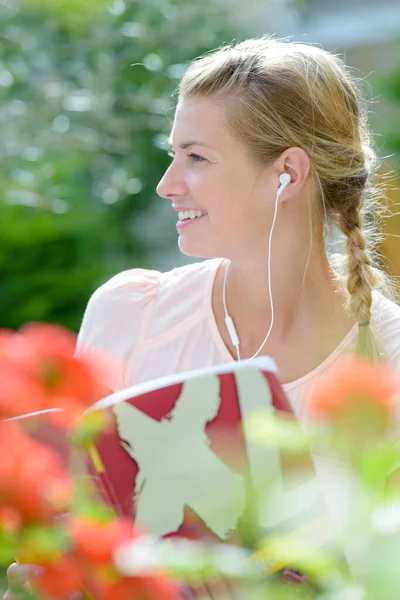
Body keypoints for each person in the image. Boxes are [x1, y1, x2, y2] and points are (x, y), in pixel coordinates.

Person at [5, 36, 400, 600]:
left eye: (196, 157)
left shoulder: (390, 364)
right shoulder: (130, 316)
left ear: (287, 172)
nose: (167, 184)